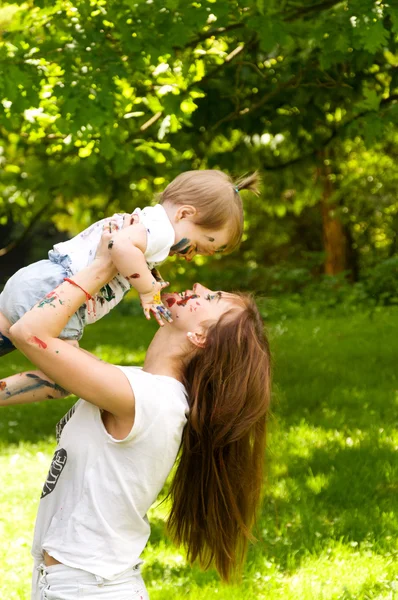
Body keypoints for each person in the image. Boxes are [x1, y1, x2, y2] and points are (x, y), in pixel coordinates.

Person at [7, 225, 271, 600]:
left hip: (86, 589)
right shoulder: (142, 387)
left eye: (210, 298)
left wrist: (103, 263)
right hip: (77, 583)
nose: (197, 288)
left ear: (202, 338)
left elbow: (29, 332)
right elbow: (57, 379)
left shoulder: (151, 399)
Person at [0, 170, 259, 406]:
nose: (190, 255)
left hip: (38, 278)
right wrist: (147, 290)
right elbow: (120, 246)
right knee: (63, 378)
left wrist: (147, 272)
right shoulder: (162, 233)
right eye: (199, 246)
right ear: (185, 214)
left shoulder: (150, 223)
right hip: (56, 293)